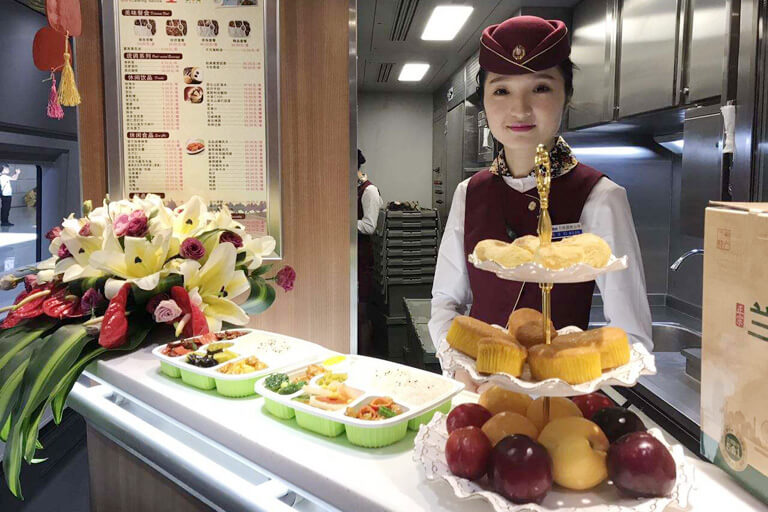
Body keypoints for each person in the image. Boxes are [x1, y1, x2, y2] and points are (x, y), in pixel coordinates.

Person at [428, 16, 652, 383]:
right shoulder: (469, 193)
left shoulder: (600, 196)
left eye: (541, 88)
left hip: (564, 407)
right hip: (481, 399)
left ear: (567, 94)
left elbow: (632, 335)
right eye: (501, 91)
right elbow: (444, 304)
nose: (519, 109)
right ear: (483, 101)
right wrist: (458, 368)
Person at [357, 150, 384, 355]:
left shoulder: (369, 192)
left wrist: (344, 220)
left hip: (363, 258)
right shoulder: (356, 189)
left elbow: (369, 226)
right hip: (354, 257)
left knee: (363, 311)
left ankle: (366, 354)